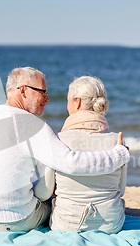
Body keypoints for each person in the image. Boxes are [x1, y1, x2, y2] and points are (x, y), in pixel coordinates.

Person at [0, 67, 130, 232]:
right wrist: (119, 154)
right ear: (23, 90)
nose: (47, 99)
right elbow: (72, 164)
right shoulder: (33, 126)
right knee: (52, 204)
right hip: (14, 219)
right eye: (43, 92)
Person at [45, 76, 127, 233]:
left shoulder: (58, 140)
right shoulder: (117, 140)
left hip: (66, 225)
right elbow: (121, 190)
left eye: (68, 100)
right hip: (111, 225)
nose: (67, 105)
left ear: (77, 102)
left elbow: (46, 191)